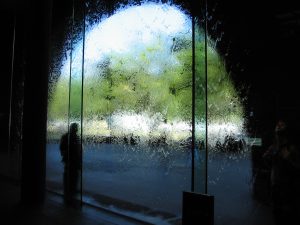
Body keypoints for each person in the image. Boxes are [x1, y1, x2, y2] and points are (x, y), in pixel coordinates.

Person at [263, 120, 300, 225]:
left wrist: (289, 159)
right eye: (278, 133)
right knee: (276, 212)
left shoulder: (291, 148)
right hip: (275, 184)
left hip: (288, 185)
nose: (279, 136)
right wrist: (267, 158)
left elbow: (298, 166)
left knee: (288, 213)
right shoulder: (274, 147)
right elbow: (266, 160)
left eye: (281, 134)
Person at [59, 122, 81, 206]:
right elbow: (78, 150)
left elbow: (62, 149)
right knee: (73, 178)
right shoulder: (75, 137)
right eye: (76, 128)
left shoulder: (66, 137)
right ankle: (71, 195)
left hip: (70, 161)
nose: (76, 130)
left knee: (69, 177)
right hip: (73, 161)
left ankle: (68, 195)